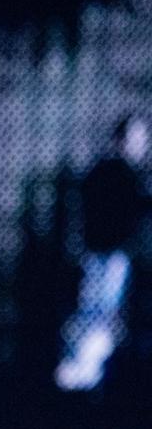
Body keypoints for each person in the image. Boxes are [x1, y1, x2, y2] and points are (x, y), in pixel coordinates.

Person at [56, 113, 150, 391]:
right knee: (99, 311)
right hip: (105, 253)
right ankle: (82, 371)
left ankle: (85, 370)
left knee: (99, 311)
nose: (142, 145)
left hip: (106, 253)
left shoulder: (116, 174)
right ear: (123, 140)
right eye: (138, 139)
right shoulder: (117, 174)